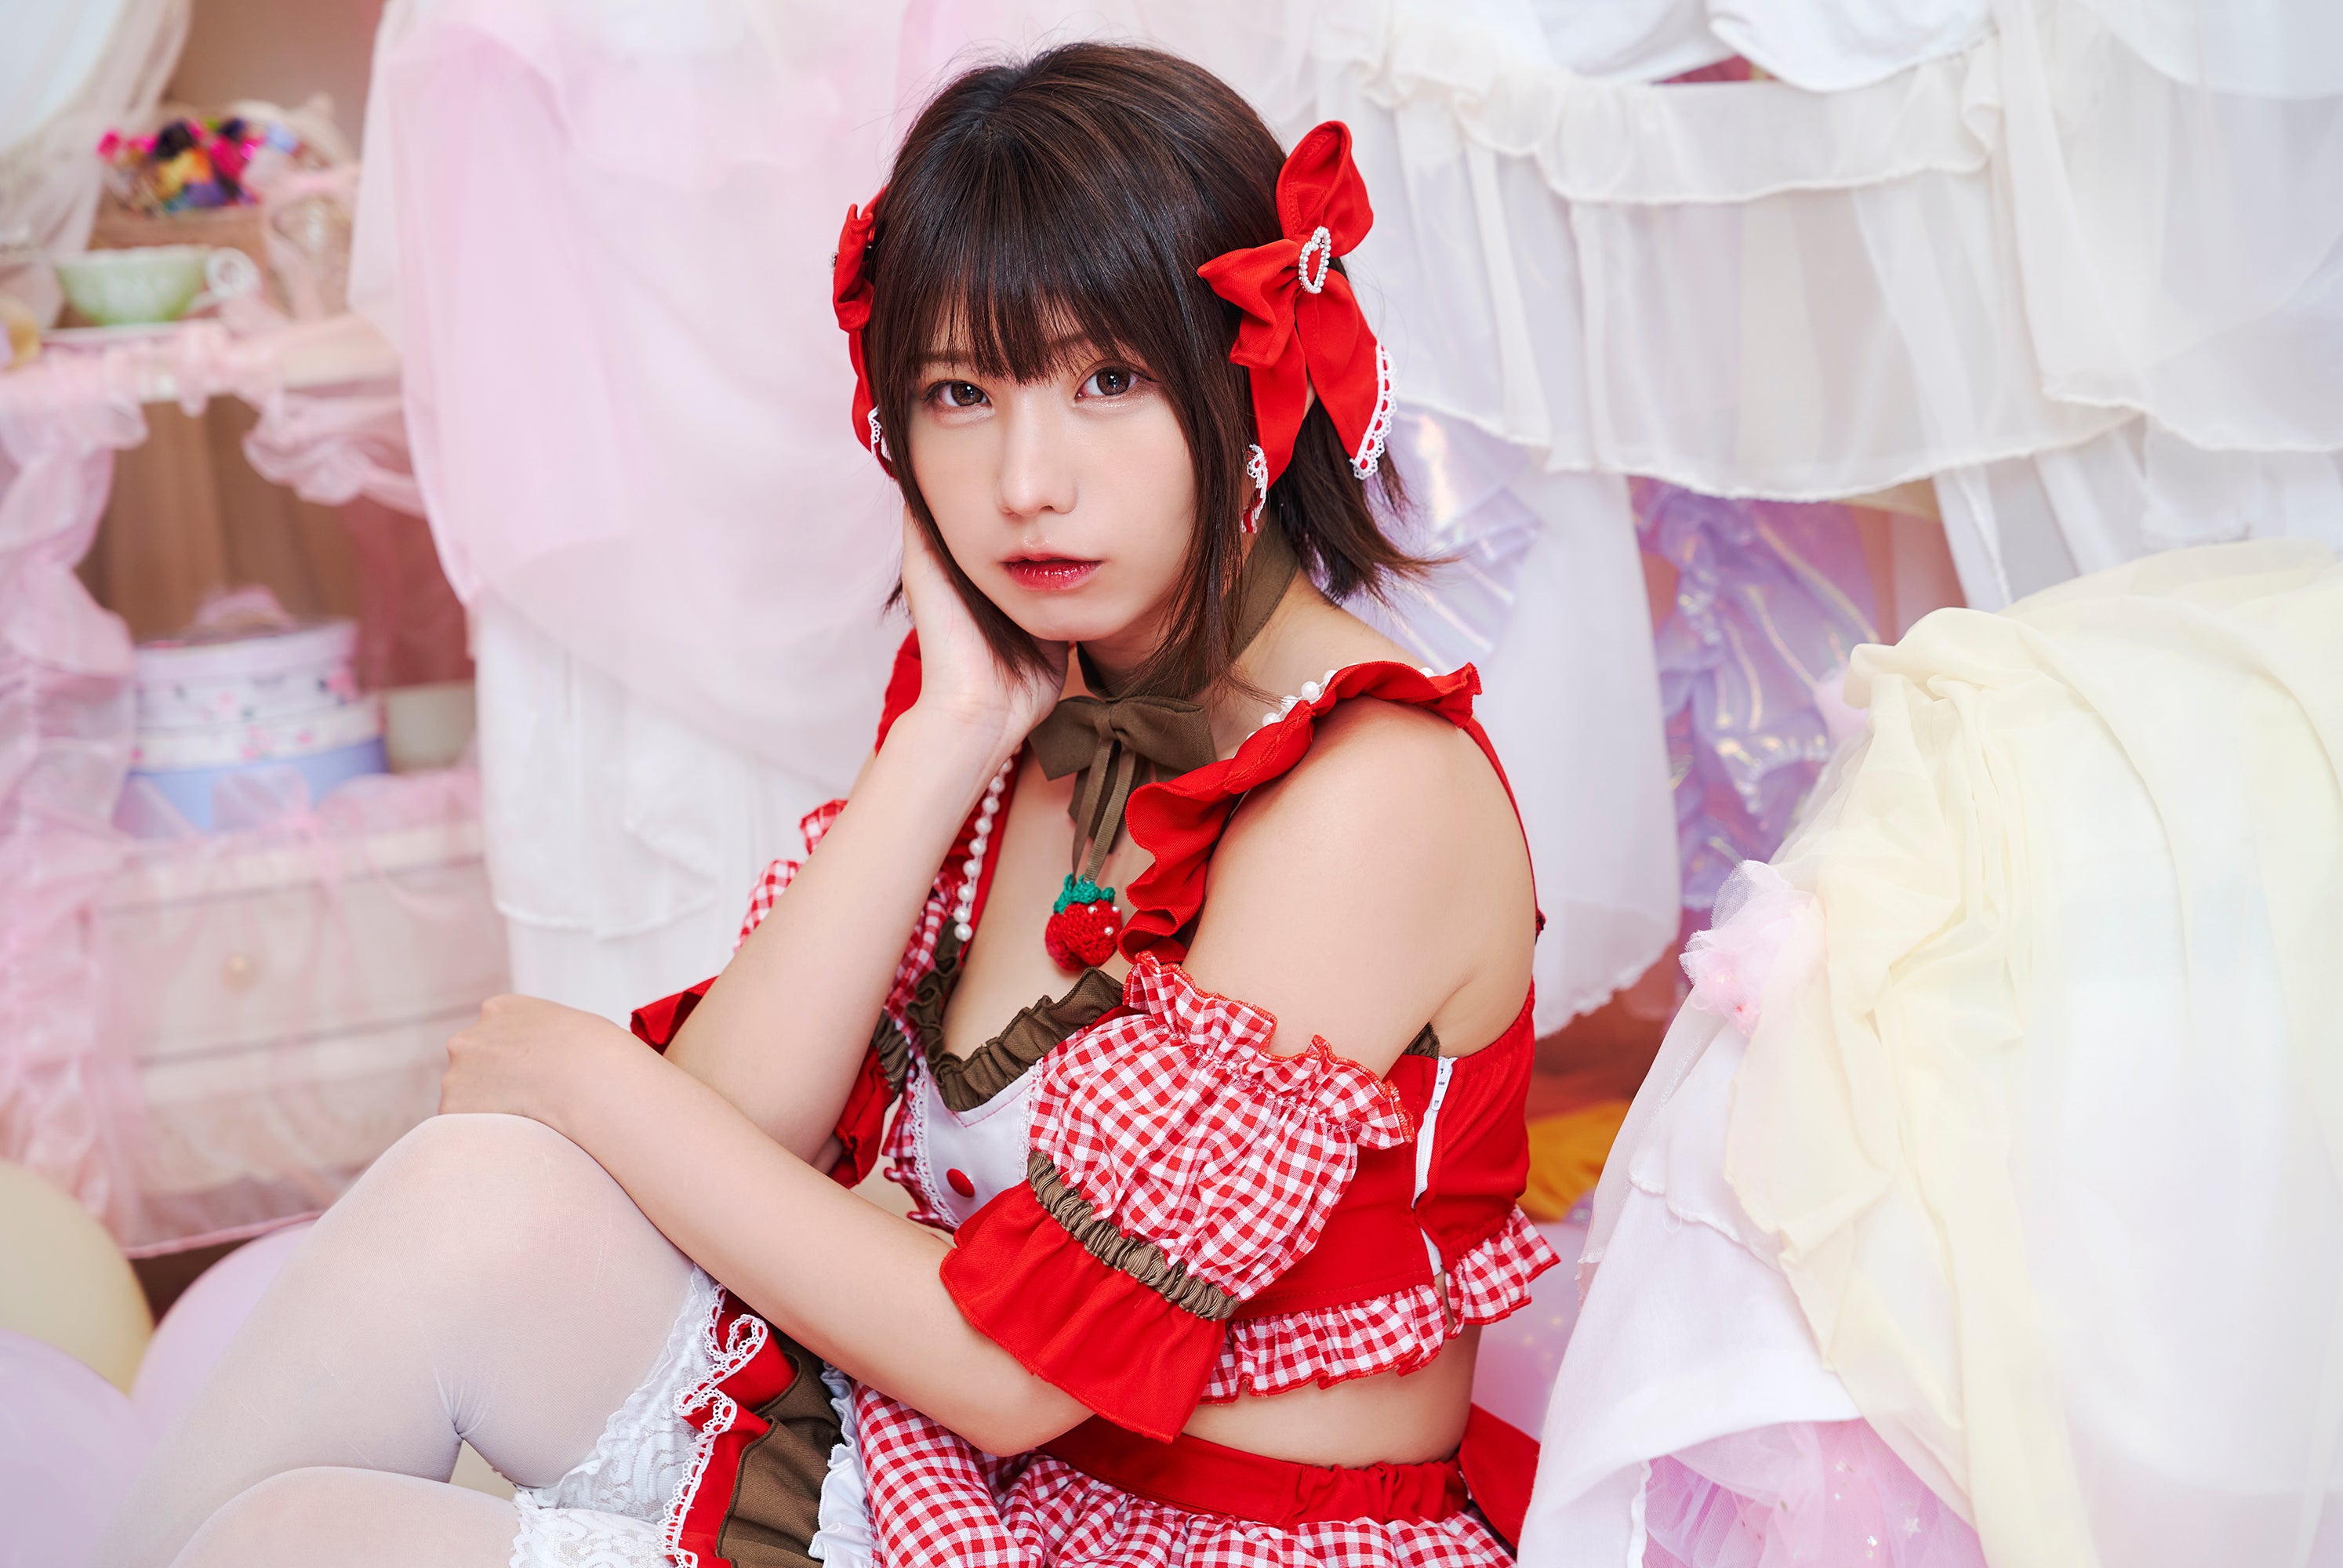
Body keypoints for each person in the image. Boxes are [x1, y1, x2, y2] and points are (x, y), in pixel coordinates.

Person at [106, 43, 1558, 1568]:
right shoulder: (1021, 725)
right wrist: (949, 734)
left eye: (1110, 380)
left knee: (295, 1539)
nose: (1026, 482)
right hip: (972, 1491)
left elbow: (1017, 1372)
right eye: (961, 393)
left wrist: (589, 1078)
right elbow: (730, 1135)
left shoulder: (1369, 790)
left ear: (1256, 377)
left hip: (1208, 1541)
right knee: (473, 1194)